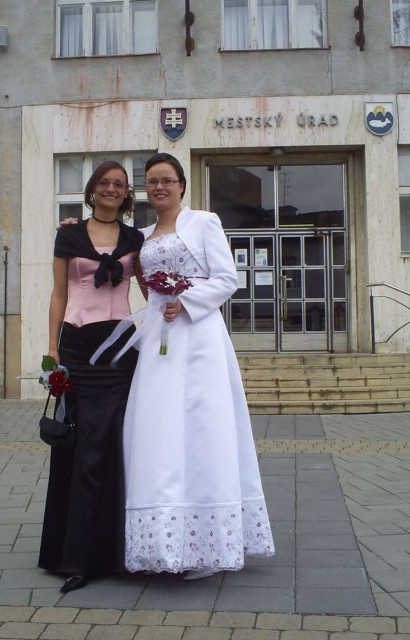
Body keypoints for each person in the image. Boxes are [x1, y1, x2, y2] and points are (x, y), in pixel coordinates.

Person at [118, 153, 275, 578]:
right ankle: (161, 541)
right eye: (152, 181)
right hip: (158, 341)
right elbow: (107, 253)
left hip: (200, 337)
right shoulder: (141, 236)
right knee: (156, 428)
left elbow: (227, 278)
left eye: (167, 180)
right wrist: (70, 228)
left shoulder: (204, 223)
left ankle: (208, 544)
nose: (159, 187)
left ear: (182, 185)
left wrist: (186, 301)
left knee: (204, 428)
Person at [38, 161, 144, 593]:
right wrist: (52, 348)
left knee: (113, 446)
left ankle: (116, 551)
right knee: (79, 448)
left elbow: (151, 291)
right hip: (79, 347)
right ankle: (76, 555)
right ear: (92, 189)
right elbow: (59, 294)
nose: (111, 189)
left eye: (119, 184)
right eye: (104, 183)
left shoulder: (136, 239)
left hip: (120, 349)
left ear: (126, 193)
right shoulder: (69, 235)